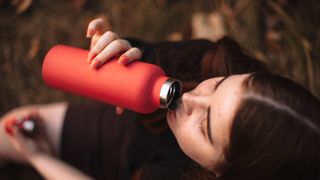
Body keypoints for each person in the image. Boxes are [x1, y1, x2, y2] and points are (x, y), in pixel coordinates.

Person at [0, 18, 320, 180]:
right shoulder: (208, 62)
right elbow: (139, 55)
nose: (191, 97)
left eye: (206, 127)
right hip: (117, 123)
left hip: (117, 159)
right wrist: (120, 53)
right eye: (217, 86)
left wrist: (38, 158)